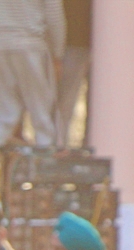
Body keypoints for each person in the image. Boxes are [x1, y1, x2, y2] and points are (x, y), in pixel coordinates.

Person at [0, 0, 58, 180]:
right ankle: (45, 170)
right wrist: (58, 52)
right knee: (42, 113)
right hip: (30, 43)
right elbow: (54, 15)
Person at [50, 0, 83, 147]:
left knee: (63, 102)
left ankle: (59, 145)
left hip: (73, 43)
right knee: (63, 102)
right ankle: (59, 145)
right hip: (71, 43)